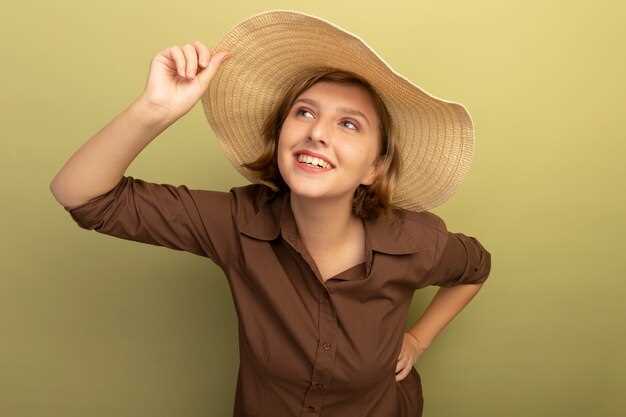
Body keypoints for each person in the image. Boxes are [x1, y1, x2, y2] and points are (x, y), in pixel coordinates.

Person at [50, 10, 492, 417]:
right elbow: (83, 196)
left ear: (374, 169)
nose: (317, 132)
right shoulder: (236, 222)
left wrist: (417, 339)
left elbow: (475, 268)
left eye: (349, 123)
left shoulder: (416, 241)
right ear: (281, 136)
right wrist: (155, 109)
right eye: (304, 113)